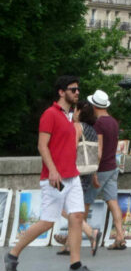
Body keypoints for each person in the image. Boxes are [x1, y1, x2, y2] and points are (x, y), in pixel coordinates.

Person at [5, 75, 99, 271]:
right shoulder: (50, 114)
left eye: (78, 90)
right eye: (73, 89)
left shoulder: (70, 116)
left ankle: (75, 265)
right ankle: (12, 255)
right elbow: (42, 145)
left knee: (76, 217)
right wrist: (53, 170)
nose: (77, 92)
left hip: (72, 176)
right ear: (61, 92)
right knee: (48, 222)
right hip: (55, 177)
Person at [54, 100, 101, 257]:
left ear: (79, 112)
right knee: (75, 208)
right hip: (87, 173)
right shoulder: (92, 130)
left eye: (75, 110)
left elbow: (71, 149)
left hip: (74, 172)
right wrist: (94, 175)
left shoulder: (77, 127)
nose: (73, 112)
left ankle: (90, 231)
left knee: (63, 207)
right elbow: (95, 155)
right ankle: (69, 244)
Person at [86, 89, 127, 250]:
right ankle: (120, 236)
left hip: (102, 168)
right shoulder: (113, 122)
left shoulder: (99, 124)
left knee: (85, 202)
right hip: (112, 166)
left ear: (94, 105)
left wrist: (94, 171)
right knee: (113, 201)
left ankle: (71, 241)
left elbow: (99, 150)